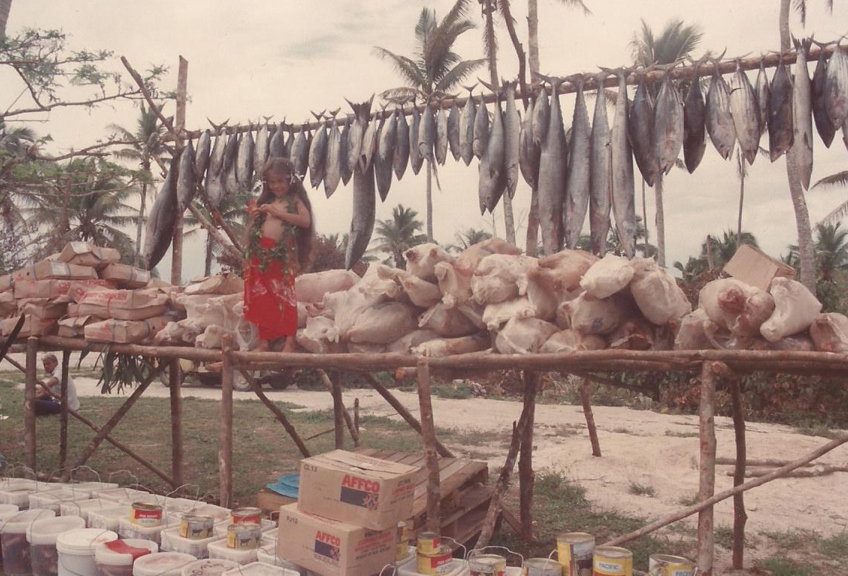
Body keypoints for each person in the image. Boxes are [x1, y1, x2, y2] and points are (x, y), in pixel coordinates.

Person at [243, 157, 314, 352]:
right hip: (260, 254)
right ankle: (265, 341)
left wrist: (278, 213)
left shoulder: (295, 201)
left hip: (282, 254)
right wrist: (257, 216)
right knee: (262, 296)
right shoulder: (266, 201)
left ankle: (289, 341)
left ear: (290, 179)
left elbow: (305, 221)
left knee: (285, 296)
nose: (276, 186)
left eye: (280, 181)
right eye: (272, 182)